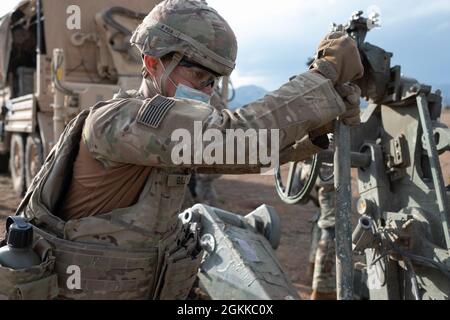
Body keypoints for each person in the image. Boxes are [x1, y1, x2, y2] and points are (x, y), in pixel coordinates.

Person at [16, 0, 363, 299]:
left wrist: (316, 132)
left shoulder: (162, 140)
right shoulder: (119, 122)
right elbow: (236, 138)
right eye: (201, 78)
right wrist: (324, 75)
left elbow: (240, 154)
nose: (209, 92)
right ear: (153, 64)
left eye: (215, 82)